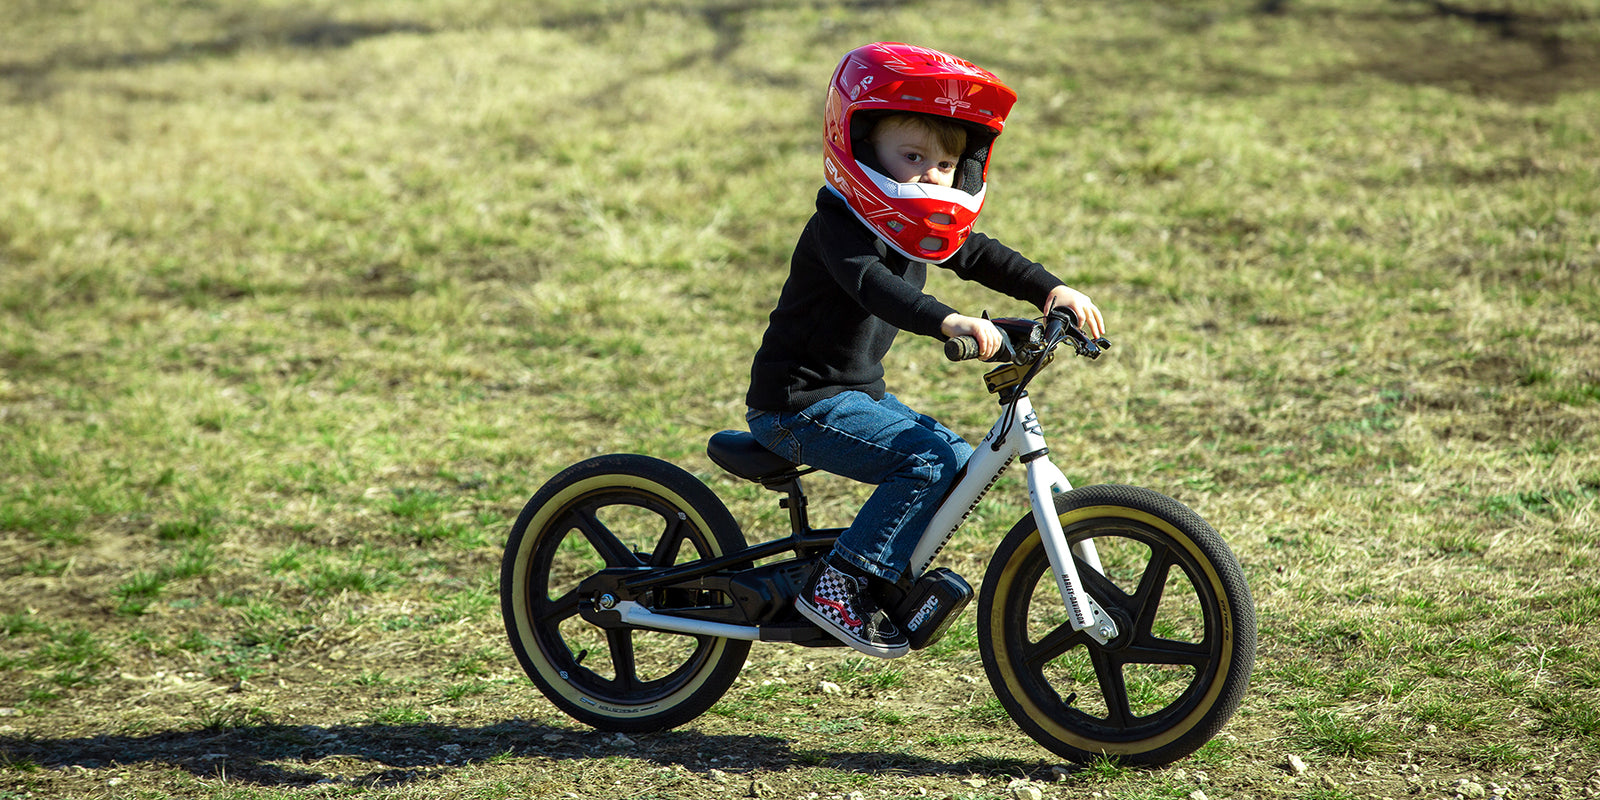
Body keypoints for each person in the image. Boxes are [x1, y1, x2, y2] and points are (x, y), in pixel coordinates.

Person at [744, 42, 1106, 658]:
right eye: (911, 156)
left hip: (853, 395)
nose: (930, 175)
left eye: (945, 164)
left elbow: (980, 253)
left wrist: (1052, 289)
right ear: (859, 146)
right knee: (928, 462)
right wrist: (949, 320)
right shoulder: (840, 222)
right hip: (796, 405)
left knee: (955, 457)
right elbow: (874, 287)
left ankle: (879, 577)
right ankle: (838, 588)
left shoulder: (916, 220)